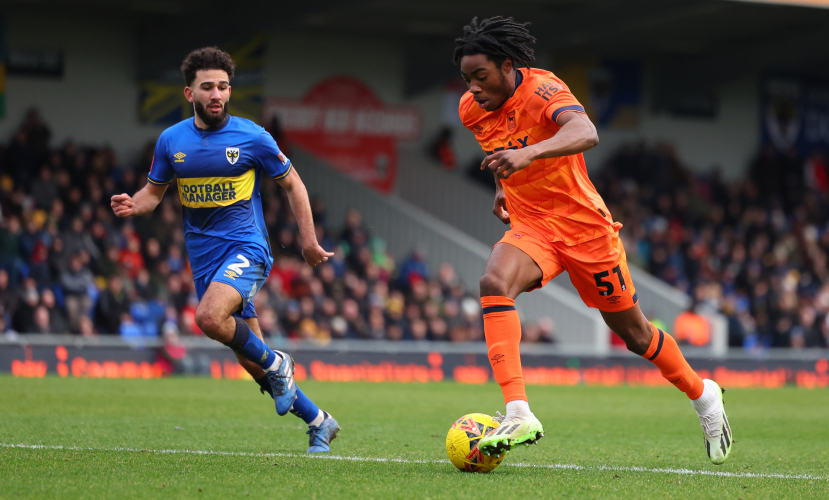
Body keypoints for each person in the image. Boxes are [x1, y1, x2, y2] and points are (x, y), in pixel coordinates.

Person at [454, 17, 731, 464]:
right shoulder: (472, 109)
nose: (473, 89)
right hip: (533, 226)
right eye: (466, 79)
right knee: (493, 282)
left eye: (480, 77)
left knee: (636, 335)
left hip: (586, 231)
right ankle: (518, 411)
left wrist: (527, 154)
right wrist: (503, 188)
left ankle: (704, 396)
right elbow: (501, 147)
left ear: (507, 66)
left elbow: (586, 132)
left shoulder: (544, 90)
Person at [111, 47, 339, 453]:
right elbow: (153, 193)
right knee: (251, 362)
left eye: (222, 87)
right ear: (189, 93)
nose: (216, 94)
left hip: (247, 247)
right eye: (207, 87)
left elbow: (294, 185)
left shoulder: (252, 136)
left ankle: (278, 363)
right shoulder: (171, 140)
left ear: (230, 91)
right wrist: (134, 203)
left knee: (208, 317)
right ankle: (319, 421)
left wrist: (308, 240)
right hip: (204, 257)